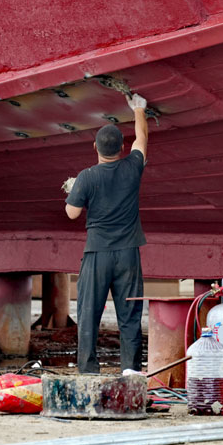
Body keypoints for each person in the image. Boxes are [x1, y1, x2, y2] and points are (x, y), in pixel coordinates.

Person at [65, 93, 149, 373]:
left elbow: (72, 213)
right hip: (128, 253)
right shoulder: (132, 167)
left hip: (97, 253)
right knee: (130, 316)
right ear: (122, 147)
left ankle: (89, 370)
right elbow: (142, 140)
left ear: (95, 147)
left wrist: (75, 191)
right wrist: (138, 109)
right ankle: (131, 371)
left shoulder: (87, 177)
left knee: (89, 314)